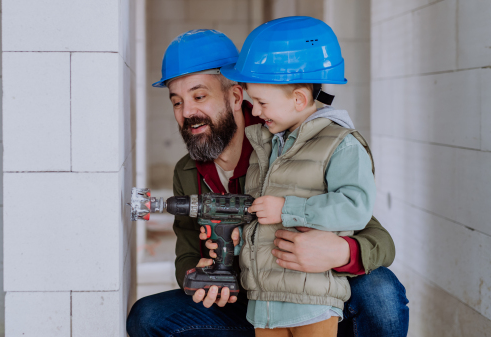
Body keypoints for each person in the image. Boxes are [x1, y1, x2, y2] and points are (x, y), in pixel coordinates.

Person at [127, 29, 409, 337]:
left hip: (312, 297)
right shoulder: (187, 172)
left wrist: (340, 252)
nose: (187, 113)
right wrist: (198, 272)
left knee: (381, 289)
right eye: (177, 102)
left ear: (235, 96)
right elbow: (186, 245)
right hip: (253, 302)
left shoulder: (283, 145)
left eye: (199, 96)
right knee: (148, 316)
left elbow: (379, 240)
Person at [219, 16, 375, 336]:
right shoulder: (266, 144)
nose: (256, 111)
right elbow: (260, 212)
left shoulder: (340, 144)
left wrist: (286, 209)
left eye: (262, 102)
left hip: (312, 299)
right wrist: (240, 241)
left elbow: (356, 207)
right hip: (264, 299)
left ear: (299, 99)